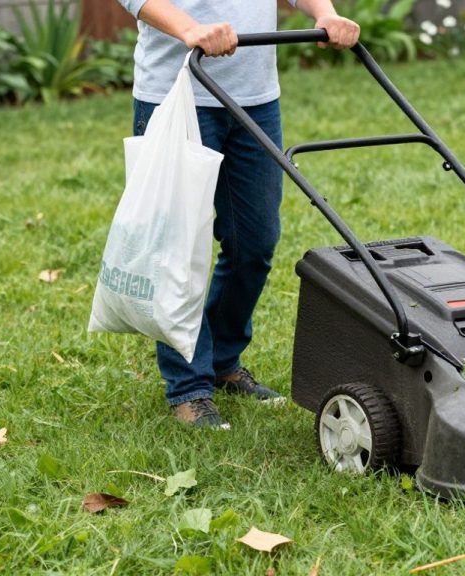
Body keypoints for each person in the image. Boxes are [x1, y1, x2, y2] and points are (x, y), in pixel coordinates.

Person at [115, 0, 360, 429]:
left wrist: (325, 13)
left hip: (255, 99)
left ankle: (223, 359)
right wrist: (189, 28)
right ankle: (189, 386)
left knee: (255, 240)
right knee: (175, 249)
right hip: (178, 93)